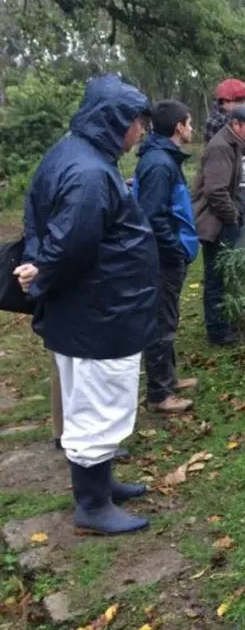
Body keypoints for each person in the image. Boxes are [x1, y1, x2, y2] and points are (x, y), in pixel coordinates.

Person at [15, 73, 157, 535]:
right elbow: (73, 242)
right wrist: (44, 269)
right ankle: (93, 506)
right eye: (138, 122)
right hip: (100, 313)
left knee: (89, 400)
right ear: (116, 121)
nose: (141, 131)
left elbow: (44, 224)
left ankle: (101, 484)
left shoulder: (74, 154)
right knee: (99, 402)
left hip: (89, 310)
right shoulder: (91, 173)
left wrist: (41, 267)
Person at [132, 100, 201, 413]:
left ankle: (169, 379)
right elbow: (153, 216)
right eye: (189, 122)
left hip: (169, 254)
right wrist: (175, 251)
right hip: (162, 258)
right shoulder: (160, 164)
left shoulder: (163, 158)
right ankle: (159, 394)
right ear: (178, 127)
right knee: (162, 321)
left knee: (168, 315)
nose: (192, 128)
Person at [192, 104, 245, 346]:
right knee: (216, 276)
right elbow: (215, 190)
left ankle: (226, 322)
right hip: (219, 222)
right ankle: (218, 332)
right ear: (235, 124)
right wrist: (233, 216)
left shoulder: (236, 144)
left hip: (228, 220)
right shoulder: (221, 147)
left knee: (226, 274)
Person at [204, 78, 245, 246]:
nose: (243, 105)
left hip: (243, 190)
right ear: (224, 101)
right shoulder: (219, 123)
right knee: (228, 246)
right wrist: (233, 216)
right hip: (229, 196)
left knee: (242, 241)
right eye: (238, 101)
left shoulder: (239, 121)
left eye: (244, 101)